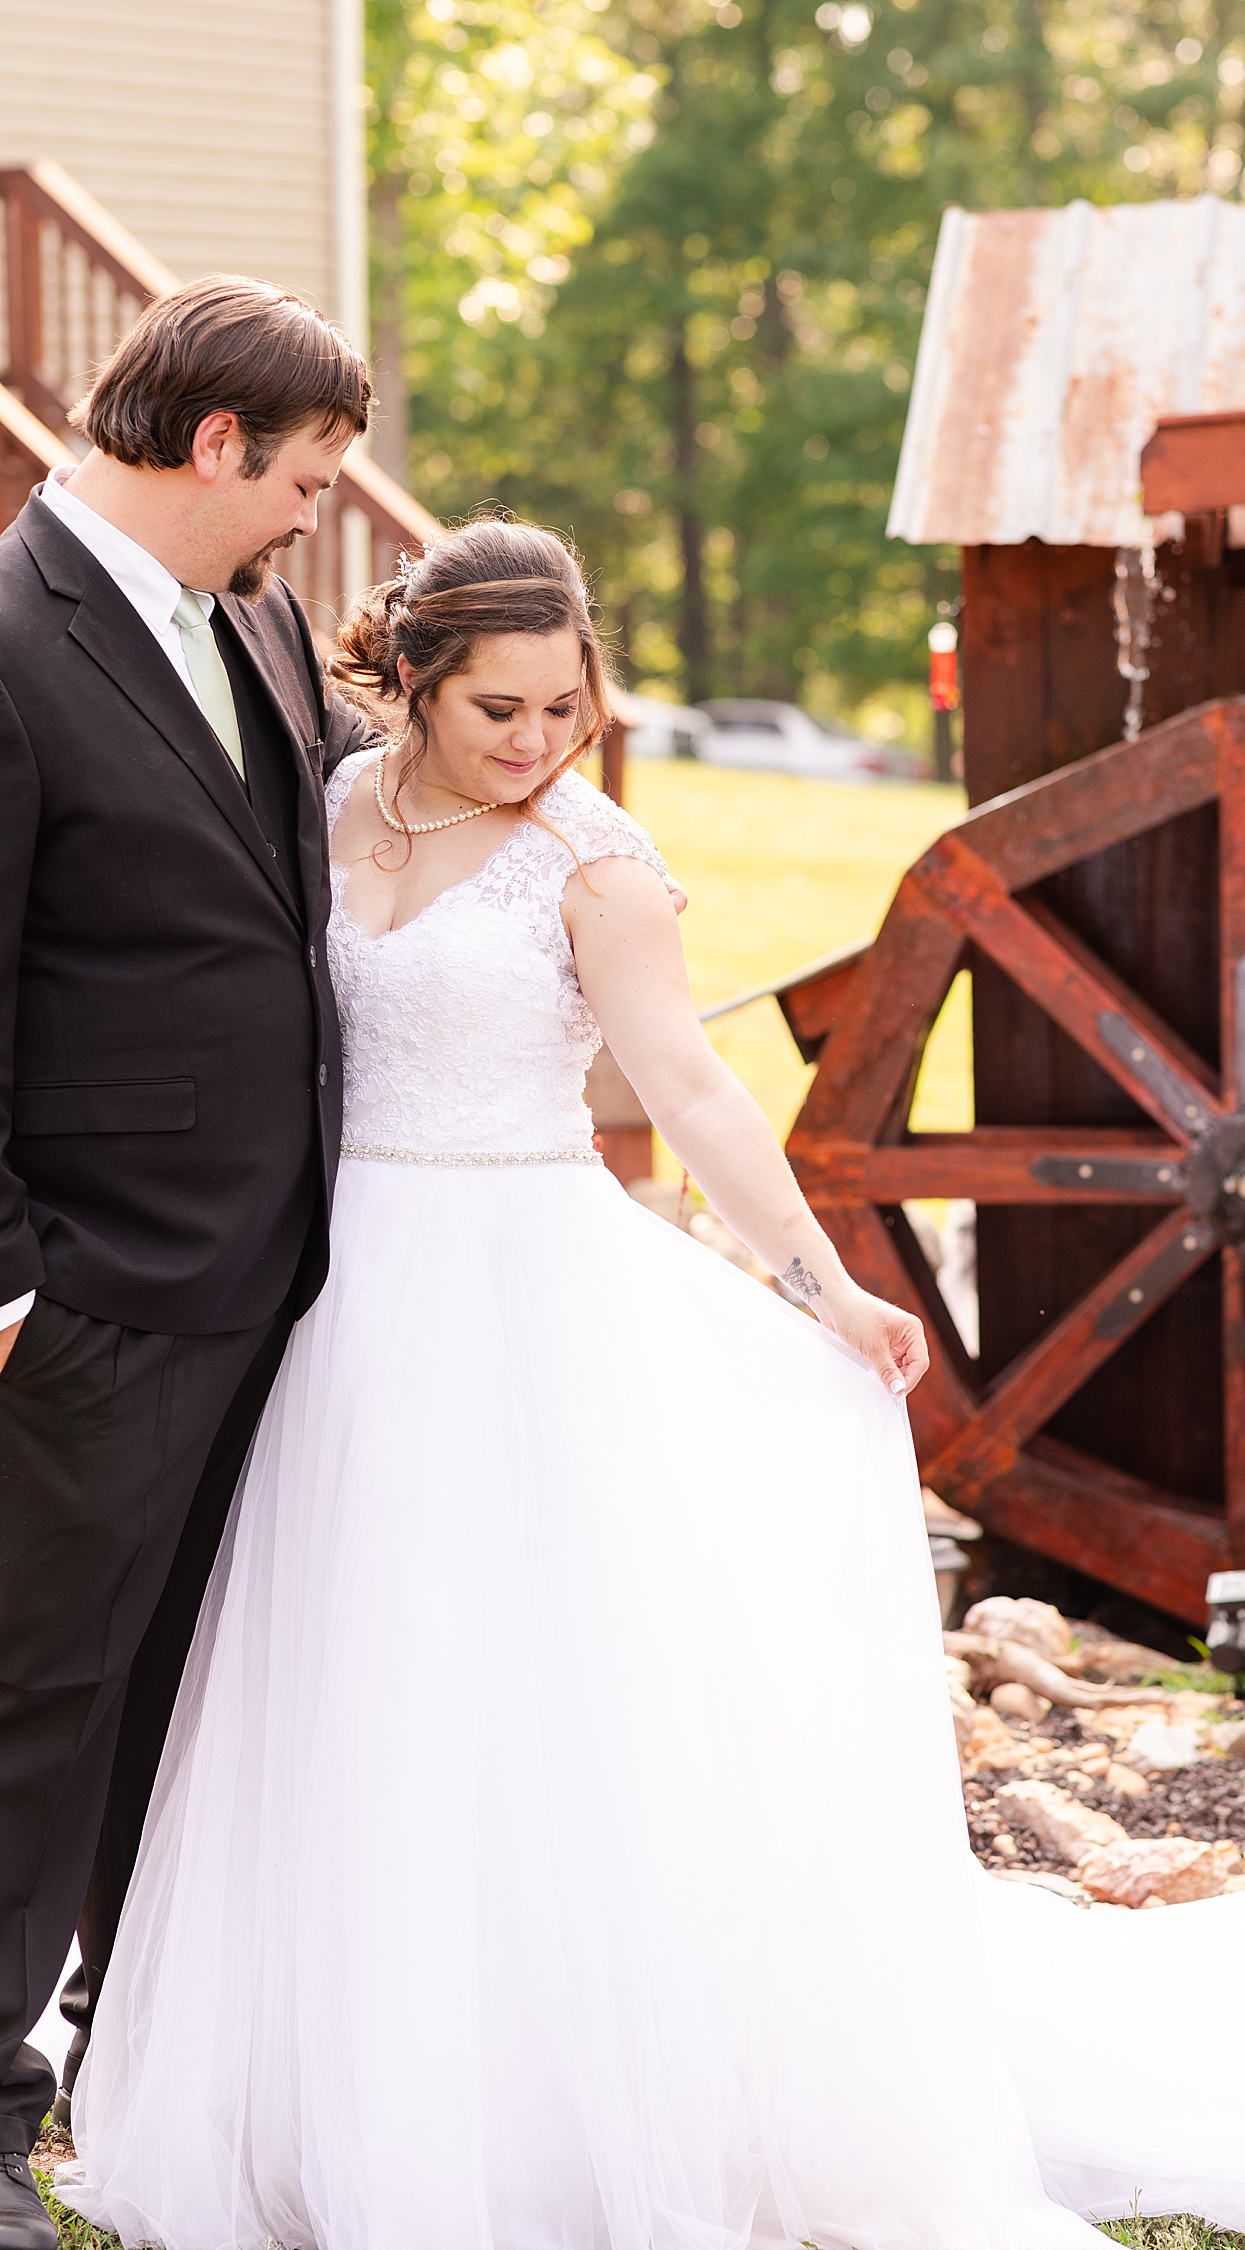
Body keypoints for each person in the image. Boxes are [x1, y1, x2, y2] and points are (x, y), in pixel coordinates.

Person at [58, 520, 1245, 2250]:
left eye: (568, 709)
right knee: (347, 1681)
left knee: (529, 1695)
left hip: (517, 1295)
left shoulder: (591, 862)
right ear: (415, 686)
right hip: (332, 1291)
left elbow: (693, 1086)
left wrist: (826, 1283)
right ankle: (342, 2082)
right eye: (501, 711)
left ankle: (570, 2099)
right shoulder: (332, 804)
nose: (537, 745)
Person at [0, 274, 376, 2250]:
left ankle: (131, 2067)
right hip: (94, 1288)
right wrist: (14, 1286)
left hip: (278, 1267)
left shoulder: (264, 619)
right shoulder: (9, 637)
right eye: (309, 472)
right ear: (219, 445)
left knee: (189, 1693)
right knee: (32, 1697)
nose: (324, 506)